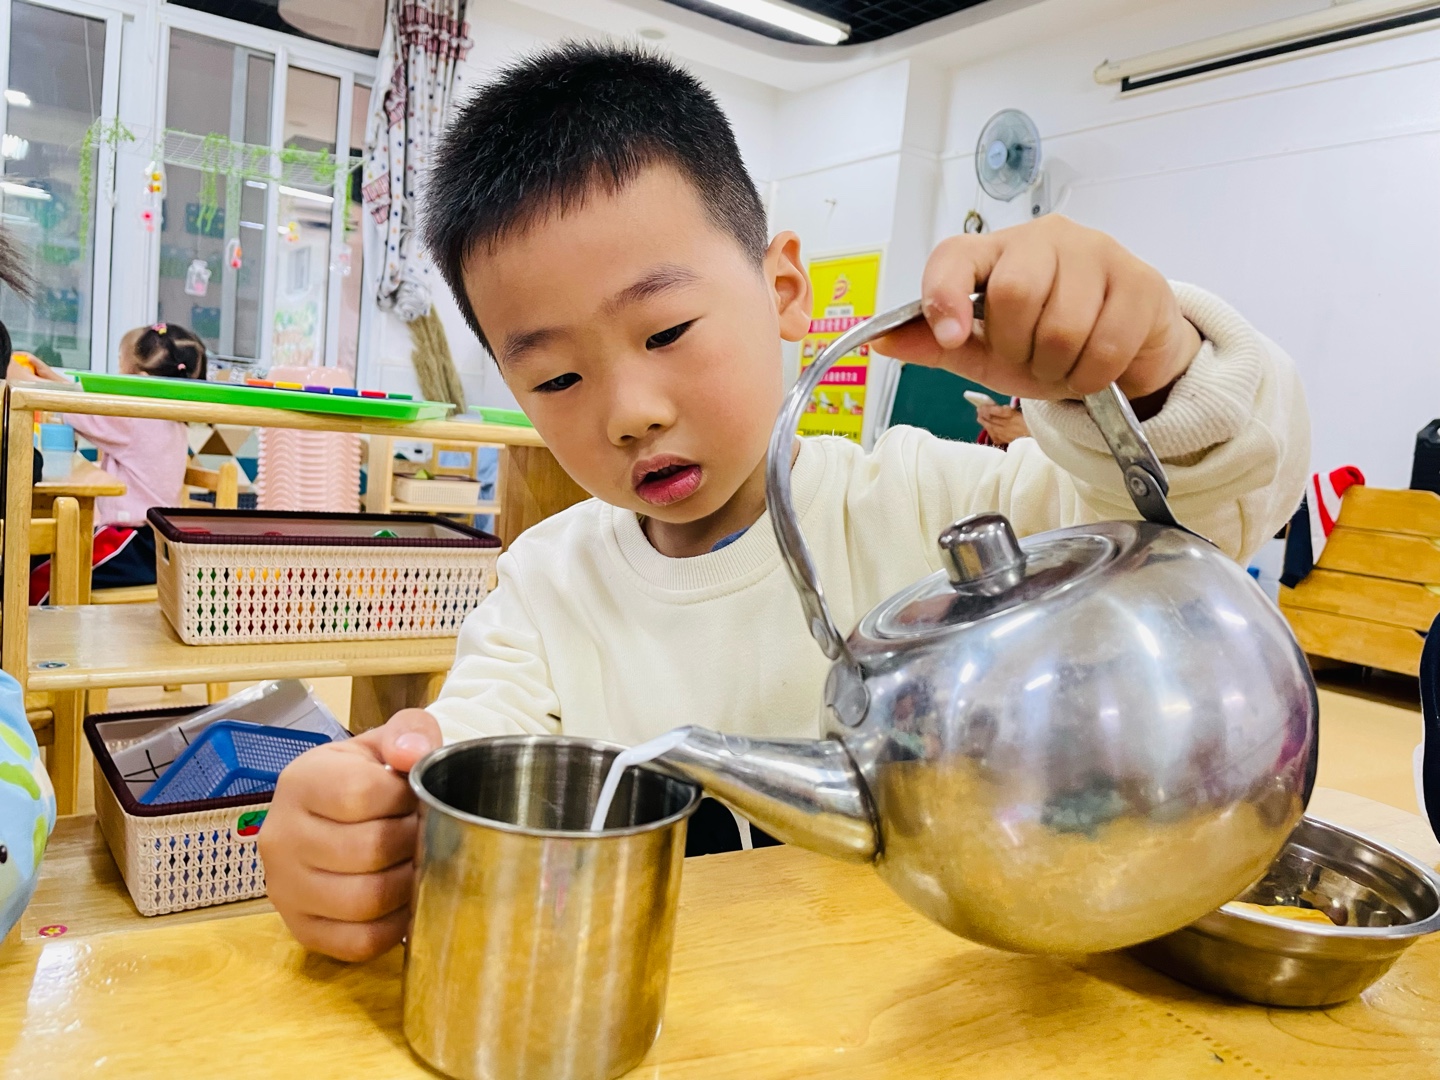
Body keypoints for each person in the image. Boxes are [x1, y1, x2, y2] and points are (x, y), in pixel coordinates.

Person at [257, 43, 1310, 961]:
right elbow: (471, 745)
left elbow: (1215, 509)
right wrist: (367, 823)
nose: (629, 413)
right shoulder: (545, 586)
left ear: (784, 291)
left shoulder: (935, 503)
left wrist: (1152, 362)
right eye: (557, 379)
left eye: (667, 332)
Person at [11, 323, 206, 601]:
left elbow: (76, 407)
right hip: (151, 542)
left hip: (131, 542)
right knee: (47, 559)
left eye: (120, 367)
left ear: (140, 380)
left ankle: (26, 622)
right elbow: (84, 402)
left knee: (42, 573)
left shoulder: (138, 415)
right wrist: (48, 375)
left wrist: (22, 377)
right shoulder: (168, 417)